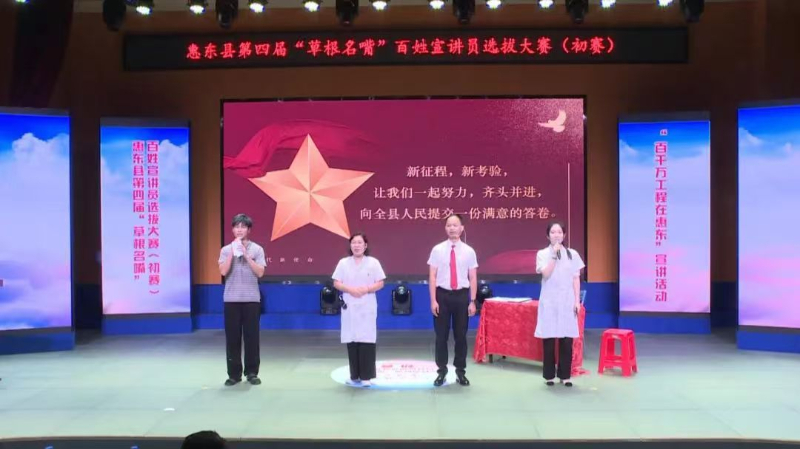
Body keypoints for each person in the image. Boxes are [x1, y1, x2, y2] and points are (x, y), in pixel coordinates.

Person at [427, 214, 478, 387]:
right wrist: (433, 300)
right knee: (441, 336)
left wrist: (472, 301)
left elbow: (473, 277)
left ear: (462, 228)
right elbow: (432, 276)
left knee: (460, 336)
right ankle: (441, 371)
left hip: (461, 297)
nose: (452, 228)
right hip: (442, 296)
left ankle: (460, 372)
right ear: (445, 228)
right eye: (449, 225)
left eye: (455, 225)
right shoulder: (437, 250)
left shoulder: (469, 251)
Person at [218, 213, 267, 387]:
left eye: (243, 227)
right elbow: (223, 271)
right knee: (232, 338)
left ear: (248, 230)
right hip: (231, 299)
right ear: (233, 230)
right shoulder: (225, 250)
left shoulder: (257, 249)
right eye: (236, 227)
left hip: (251, 299)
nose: (239, 230)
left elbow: (260, 272)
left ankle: (252, 373)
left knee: (251, 337)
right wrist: (232, 252)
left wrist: (246, 255)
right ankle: (234, 374)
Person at [534, 221, 585, 387]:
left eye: (559, 232)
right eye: (553, 232)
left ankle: (565, 375)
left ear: (564, 235)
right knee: (549, 339)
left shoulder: (572, 254)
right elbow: (546, 274)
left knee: (566, 339)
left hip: (567, 301)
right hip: (549, 301)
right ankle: (549, 375)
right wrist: (554, 256)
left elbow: (576, 279)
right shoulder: (542, 254)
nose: (556, 235)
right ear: (547, 235)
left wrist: (576, 301)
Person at [332, 233, 386, 387]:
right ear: (350, 246)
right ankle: (354, 375)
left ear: (365, 245)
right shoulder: (343, 263)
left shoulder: (373, 262)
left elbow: (380, 283)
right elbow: (336, 282)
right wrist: (350, 289)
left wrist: (367, 289)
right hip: (350, 304)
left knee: (367, 339)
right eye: (354, 243)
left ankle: (366, 377)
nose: (356, 245)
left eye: (359, 242)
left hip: (367, 304)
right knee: (352, 339)